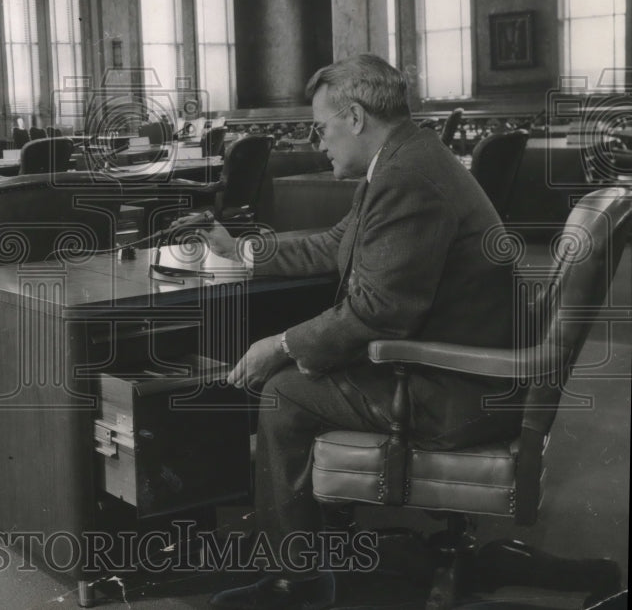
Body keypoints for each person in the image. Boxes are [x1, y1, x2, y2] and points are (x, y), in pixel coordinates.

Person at [175, 54, 520, 609]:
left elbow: (381, 311)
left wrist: (281, 344)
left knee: (284, 391)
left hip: (455, 392)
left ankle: (298, 583)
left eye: (322, 126)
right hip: (462, 370)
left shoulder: (406, 176)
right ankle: (310, 536)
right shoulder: (406, 158)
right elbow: (335, 242)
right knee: (296, 371)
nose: (318, 142)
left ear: (355, 117)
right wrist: (241, 249)